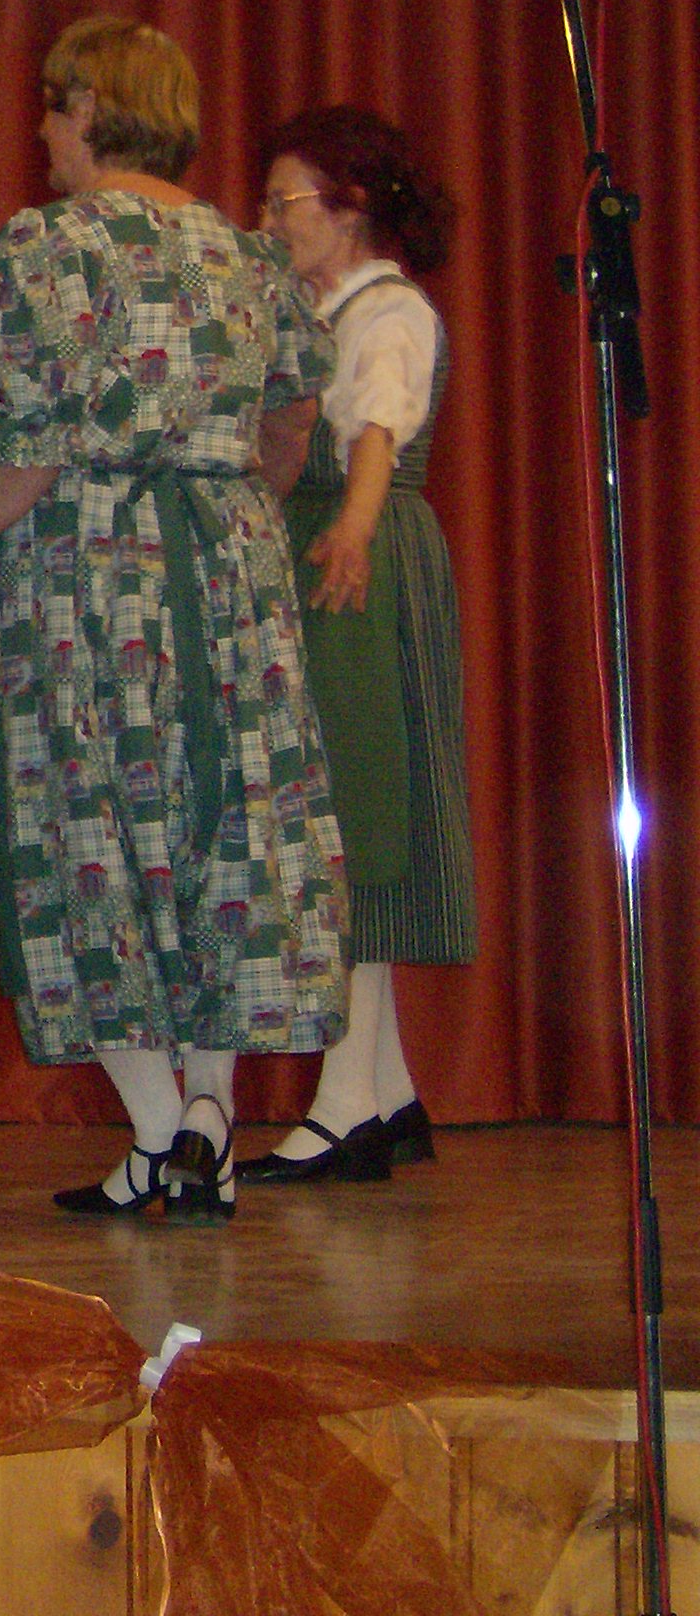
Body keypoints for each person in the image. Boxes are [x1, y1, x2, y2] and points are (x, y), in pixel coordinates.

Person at [0, 15, 349, 1224]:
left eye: (52, 105)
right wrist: (229, 499)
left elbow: (30, 449)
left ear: (90, 108)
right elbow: (295, 415)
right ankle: (201, 1122)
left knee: (84, 827)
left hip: (87, 571)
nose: (41, 131)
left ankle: (159, 1125)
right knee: (227, 823)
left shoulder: (45, 245)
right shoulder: (249, 257)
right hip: (230, 563)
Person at [238, 108, 472, 1184]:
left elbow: (376, 429)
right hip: (332, 553)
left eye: (284, 199)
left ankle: (345, 1106)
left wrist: (354, 529)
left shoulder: (387, 310)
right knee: (340, 811)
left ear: (351, 207)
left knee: (355, 819)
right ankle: (388, 1093)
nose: (267, 219)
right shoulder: (316, 310)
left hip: (359, 571)